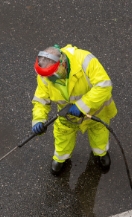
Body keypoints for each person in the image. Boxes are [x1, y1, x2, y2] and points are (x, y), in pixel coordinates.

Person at [31, 44, 117, 175]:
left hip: (96, 112)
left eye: (51, 76)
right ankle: (61, 159)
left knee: (100, 133)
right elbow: (41, 99)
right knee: (63, 136)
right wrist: (38, 119)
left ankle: (101, 153)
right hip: (67, 117)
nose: (49, 80)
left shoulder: (85, 60)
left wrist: (81, 105)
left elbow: (104, 85)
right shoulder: (46, 74)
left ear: (62, 64)